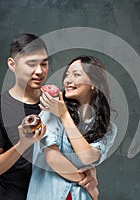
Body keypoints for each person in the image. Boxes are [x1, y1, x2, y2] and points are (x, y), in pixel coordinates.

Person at [0, 34, 98, 200]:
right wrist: (23, 144)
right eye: (31, 64)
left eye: (44, 63)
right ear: (12, 65)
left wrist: (90, 177)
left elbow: (82, 150)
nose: (39, 71)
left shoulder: (61, 102)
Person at [27, 56, 117, 200]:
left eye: (76, 75)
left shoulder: (108, 128)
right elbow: (53, 159)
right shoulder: (52, 110)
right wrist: (90, 186)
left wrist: (64, 115)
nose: (68, 80)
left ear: (94, 83)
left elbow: (88, 157)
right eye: (67, 75)